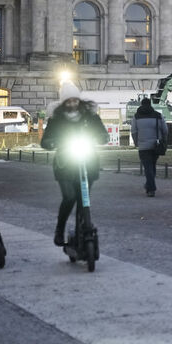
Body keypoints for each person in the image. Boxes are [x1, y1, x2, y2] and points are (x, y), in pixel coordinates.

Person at [40, 83, 108, 245]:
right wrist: (51, 142)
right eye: (68, 102)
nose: (72, 104)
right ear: (63, 103)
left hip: (87, 161)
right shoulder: (57, 119)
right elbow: (46, 140)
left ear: (79, 101)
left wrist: (101, 137)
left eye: (74, 101)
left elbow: (101, 132)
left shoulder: (90, 116)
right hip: (65, 163)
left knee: (83, 199)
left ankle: (81, 232)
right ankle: (60, 229)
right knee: (70, 197)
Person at [130, 98, 168, 197]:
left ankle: (151, 189)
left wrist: (136, 143)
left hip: (143, 147)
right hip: (156, 146)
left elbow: (133, 131)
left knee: (148, 168)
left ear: (141, 104)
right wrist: (164, 140)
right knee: (152, 166)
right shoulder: (158, 116)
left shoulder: (136, 117)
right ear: (150, 104)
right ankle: (149, 186)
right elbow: (165, 130)